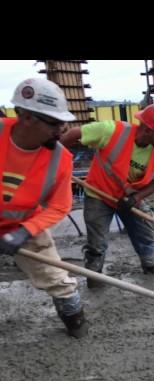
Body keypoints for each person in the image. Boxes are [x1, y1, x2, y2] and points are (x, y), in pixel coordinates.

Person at [0, 78, 87, 338]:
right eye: (54, 122)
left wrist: (24, 233)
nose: (61, 130)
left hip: (23, 226)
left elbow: (60, 206)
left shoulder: (60, 159)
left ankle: (77, 327)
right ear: (25, 117)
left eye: (63, 122)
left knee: (59, 281)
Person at [61, 104, 154, 286]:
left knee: (146, 235)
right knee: (96, 244)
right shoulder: (112, 131)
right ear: (147, 129)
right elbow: (75, 133)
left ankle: (151, 270)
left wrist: (136, 199)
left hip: (128, 198)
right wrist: (54, 158)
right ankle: (95, 280)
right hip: (99, 194)